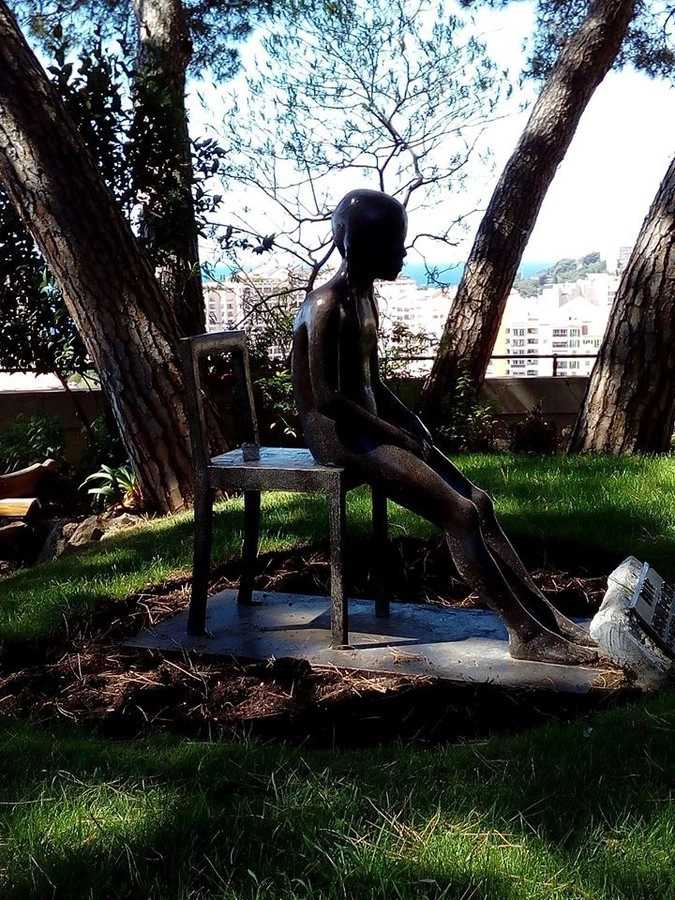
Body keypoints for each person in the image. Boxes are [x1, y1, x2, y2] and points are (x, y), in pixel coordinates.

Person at [292, 188, 598, 664]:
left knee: (479, 501)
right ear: (359, 244)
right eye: (393, 243)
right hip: (339, 437)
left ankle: (543, 615)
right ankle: (525, 635)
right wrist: (395, 435)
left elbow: (373, 383)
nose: (402, 253)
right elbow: (329, 399)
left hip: (370, 425)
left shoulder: (366, 299)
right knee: (459, 513)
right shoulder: (328, 305)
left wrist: (410, 421)